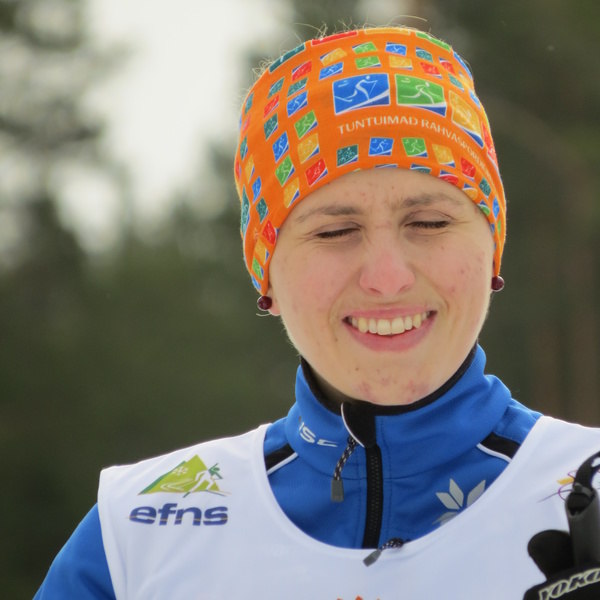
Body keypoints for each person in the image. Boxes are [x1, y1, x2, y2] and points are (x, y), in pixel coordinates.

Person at [35, 26, 600, 599]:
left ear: (492, 246)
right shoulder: (138, 535)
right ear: (266, 273)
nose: (387, 277)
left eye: (429, 223)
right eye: (334, 231)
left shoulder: (590, 495)